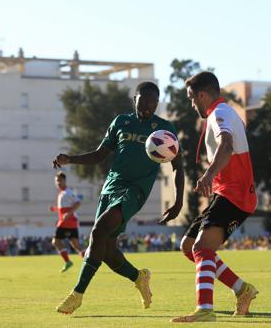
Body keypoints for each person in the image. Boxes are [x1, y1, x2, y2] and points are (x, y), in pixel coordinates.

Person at [53, 82, 185, 315]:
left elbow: (178, 168)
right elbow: (99, 155)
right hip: (111, 187)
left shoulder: (164, 129)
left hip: (135, 191)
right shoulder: (121, 122)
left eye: (153, 102)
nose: (147, 105)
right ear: (134, 98)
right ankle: (139, 277)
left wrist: (178, 202)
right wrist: (70, 159)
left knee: (97, 233)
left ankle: (77, 295)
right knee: (105, 250)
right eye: (143, 100)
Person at [171, 71, 258, 323]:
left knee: (201, 247)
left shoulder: (220, 113)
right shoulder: (222, 113)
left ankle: (205, 309)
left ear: (202, 94)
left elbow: (227, 144)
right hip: (226, 192)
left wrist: (209, 175)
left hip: (235, 194)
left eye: (191, 98)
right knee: (189, 247)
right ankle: (243, 289)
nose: (191, 104)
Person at [49, 171, 85, 272]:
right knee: (76, 244)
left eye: (60, 181)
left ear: (64, 181)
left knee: (56, 241)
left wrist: (67, 215)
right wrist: (55, 209)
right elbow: (64, 208)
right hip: (69, 222)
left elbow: (77, 203)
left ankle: (68, 262)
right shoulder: (62, 193)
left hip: (67, 222)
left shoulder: (68, 192)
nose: (58, 183)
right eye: (56, 181)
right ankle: (89, 262)